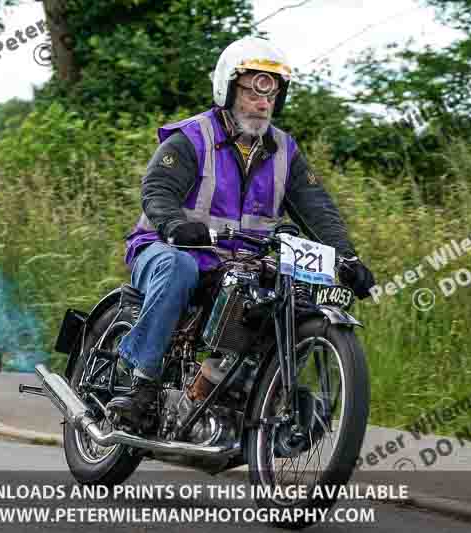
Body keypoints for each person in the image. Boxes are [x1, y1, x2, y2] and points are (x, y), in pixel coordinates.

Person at [106, 36, 376, 426]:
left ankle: (239, 391)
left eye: (272, 92)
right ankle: (142, 383)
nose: (263, 102)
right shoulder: (192, 137)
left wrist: (347, 259)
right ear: (228, 89)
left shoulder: (286, 151)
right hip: (170, 248)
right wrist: (176, 225)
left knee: (290, 295)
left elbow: (319, 211)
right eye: (253, 90)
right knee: (177, 268)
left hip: (241, 261)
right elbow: (157, 189)